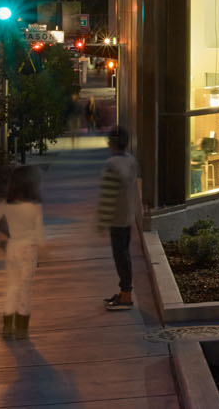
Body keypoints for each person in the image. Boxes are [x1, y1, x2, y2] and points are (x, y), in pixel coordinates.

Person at [0, 166, 44, 339]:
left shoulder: (6, 205)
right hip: (29, 249)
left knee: (12, 286)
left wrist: (7, 232)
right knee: (25, 289)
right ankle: (21, 327)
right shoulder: (35, 207)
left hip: (13, 248)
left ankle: (6, 325)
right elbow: (40, 236)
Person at [97, 126, 138, 310]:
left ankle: (126, 295)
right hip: (128, 215)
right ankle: (124, 292)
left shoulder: (111, 165)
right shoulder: (131, 161)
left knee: (120, 256)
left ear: (111, 144)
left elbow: (107, 196)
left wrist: (102, 221)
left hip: (116, 218)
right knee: (124, 254)